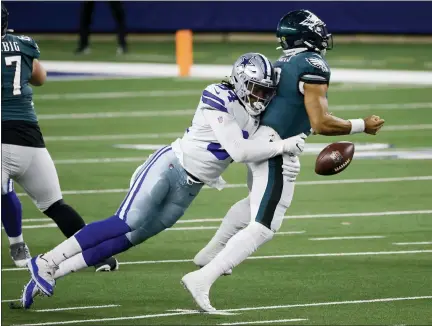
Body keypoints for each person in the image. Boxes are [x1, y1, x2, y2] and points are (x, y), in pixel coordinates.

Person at [19, 52, 306, 309]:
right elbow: (240, 151)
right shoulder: (219, 94)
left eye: (265, 92)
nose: (260, 97)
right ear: (241, 82)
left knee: (130, 238)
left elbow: (258, 152)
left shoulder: (256, 116)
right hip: (170, 167)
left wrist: (286, 162)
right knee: (125, 221)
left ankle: (52, 273)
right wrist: (283, 146)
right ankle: (46, 261)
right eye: (256, 89)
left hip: (191, 188)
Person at [181, 9, 386, 312]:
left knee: (254, 203)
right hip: (276, 148)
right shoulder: (313, 63)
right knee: (264, 225)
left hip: (264, 141)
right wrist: (361, 125)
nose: (323, 35)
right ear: (308, 35)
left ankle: (208, 255)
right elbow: (319, 122)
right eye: (318, 30)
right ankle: (203, 277)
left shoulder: (282, 63)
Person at [1, 3, 118, 271]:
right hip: (30, 138)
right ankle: (98, 254)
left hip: (3, 135)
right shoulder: (23, 44)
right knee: (55, 204)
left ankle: (17, 242)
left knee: (3, 190)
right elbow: (40, 77)